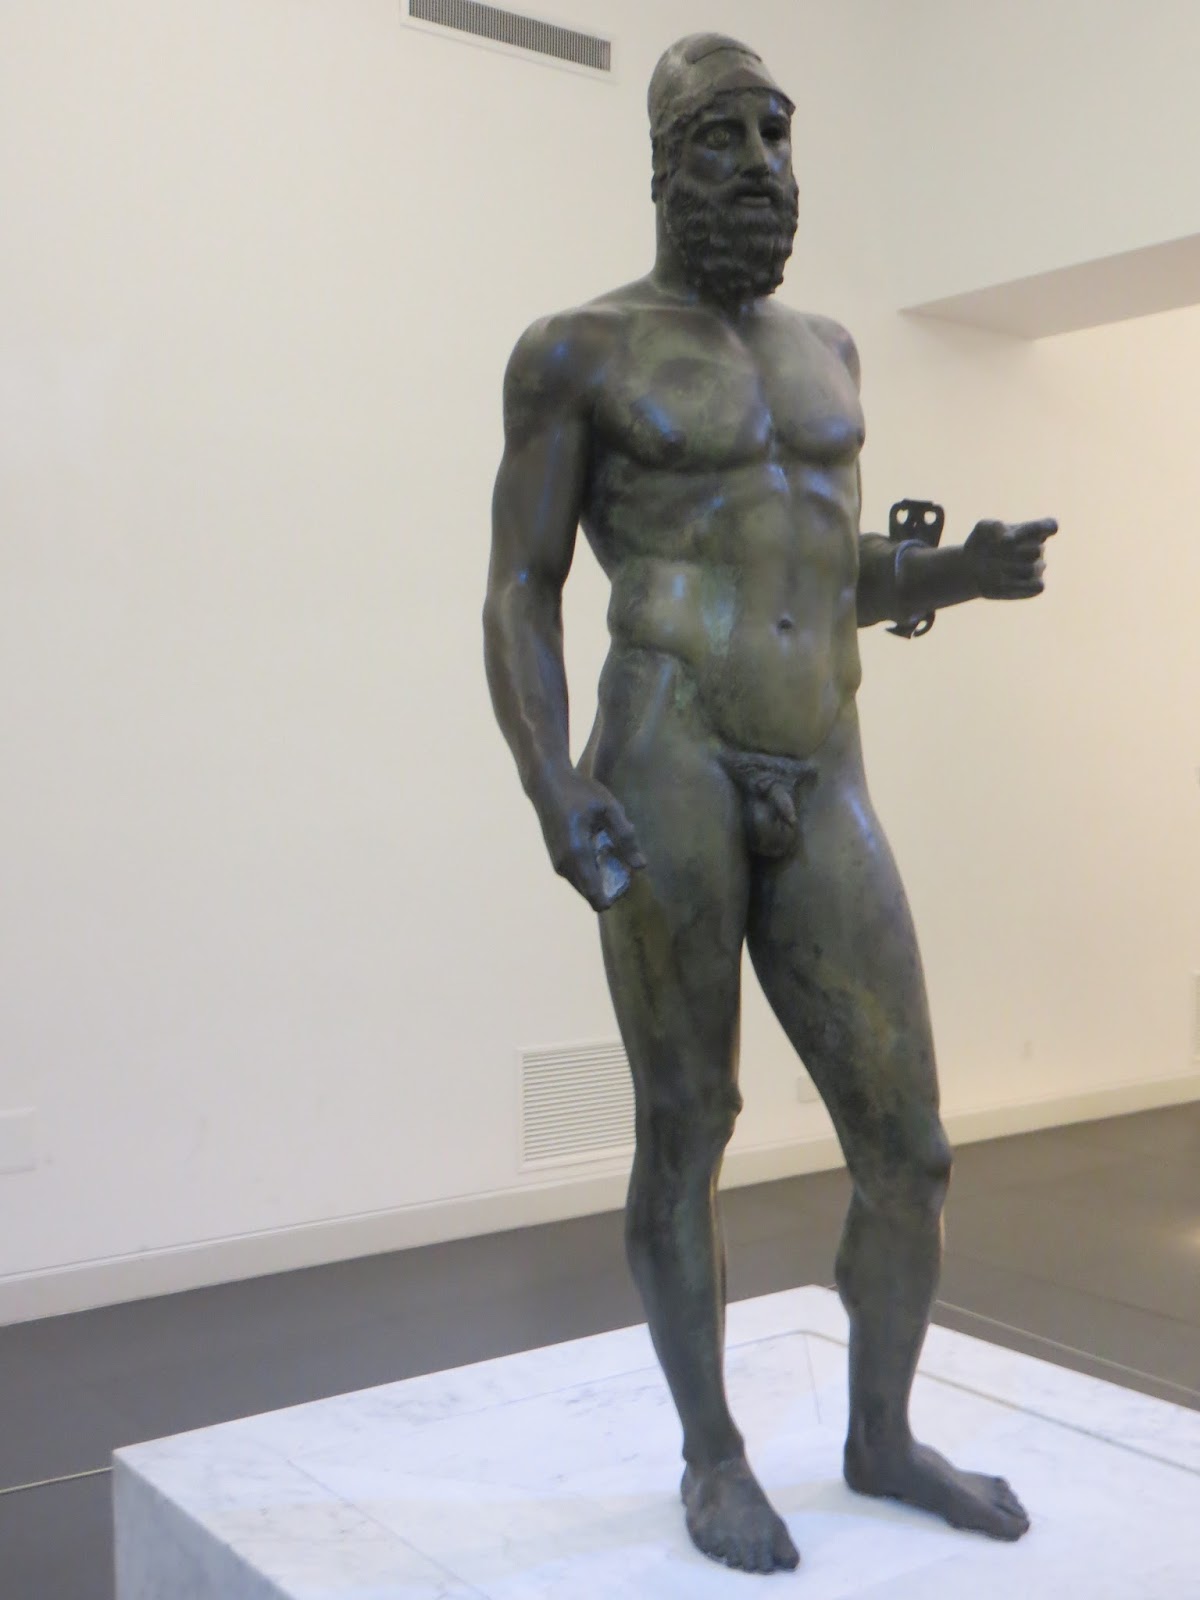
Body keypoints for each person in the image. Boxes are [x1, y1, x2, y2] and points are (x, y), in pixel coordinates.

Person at [483, 32, 1056, 1576]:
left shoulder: (832, 353)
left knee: (911, 1144)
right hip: (667, 753)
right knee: (689, 1123)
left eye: (777, 135)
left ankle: (881, 1435)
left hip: (826, 758)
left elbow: (809, 573)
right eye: (723, 137)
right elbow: (522, 586)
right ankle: (713, 1455)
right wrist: (552, 784)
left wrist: (952, 571)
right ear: (663, 162)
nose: (759, 165)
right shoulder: (578, 351)